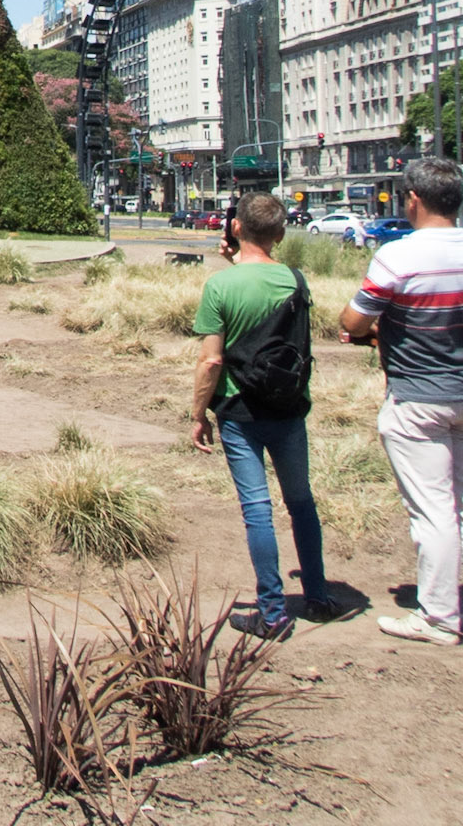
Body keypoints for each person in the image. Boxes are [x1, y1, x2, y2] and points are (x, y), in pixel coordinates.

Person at [189, 191, 338, 639]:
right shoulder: (297, 280)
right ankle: (317, 594)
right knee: (301, 502)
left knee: (257, 509)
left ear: (235, 228)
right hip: (289, 406)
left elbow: (212, 360)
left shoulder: (221, 285)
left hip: (241, 410)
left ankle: (272, 612)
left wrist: (199, 413)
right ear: (280, 232)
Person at [340, 155, 463, 645]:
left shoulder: (399, 256)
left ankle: (438, 617)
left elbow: (352, 323)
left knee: (434, 512)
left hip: (417, 398)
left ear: (412, 199)